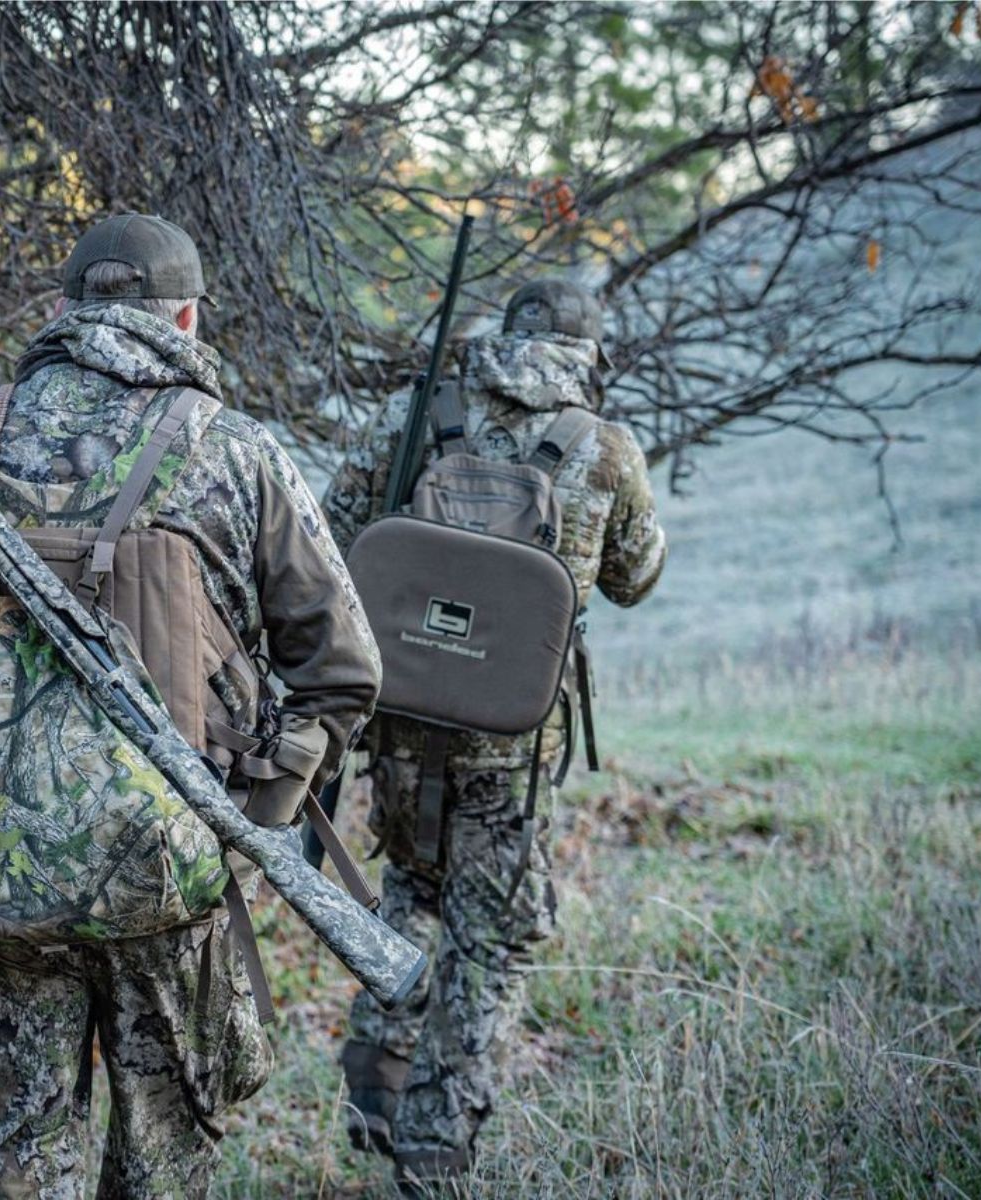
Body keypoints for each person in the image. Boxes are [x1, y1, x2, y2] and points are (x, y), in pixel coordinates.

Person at [0, 212, 381, 1199]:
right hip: (166, 878)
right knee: (164, 1167)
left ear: (61, 312)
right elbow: (342, 670)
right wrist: (246, 822)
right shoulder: (238, 452)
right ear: (188, 318)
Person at [324, 280, 667, 1191]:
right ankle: (436, 1141)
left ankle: (375, 1068)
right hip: (513, 739)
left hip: (400, 713)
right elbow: (635, 579)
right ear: (588, 354)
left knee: (410, 881)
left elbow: (333, 537)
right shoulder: (605, 449)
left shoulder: (418, 412)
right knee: (493, 932)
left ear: (505, 336)